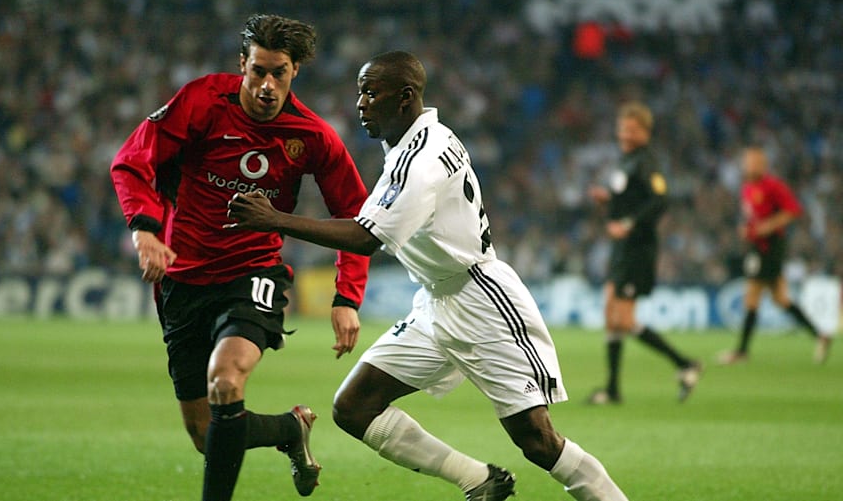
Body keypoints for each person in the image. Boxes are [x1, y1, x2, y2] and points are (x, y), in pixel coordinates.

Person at [227, 50, 629, 501]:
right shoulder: (415, 140)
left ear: (405, 98)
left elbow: (365, 238)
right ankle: (479, 480)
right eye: (359, 91)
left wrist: (275, 218)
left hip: (483, 303)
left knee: (537, 442)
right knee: (354, 408)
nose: (359, 103)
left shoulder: (422, 160)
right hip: (437, 303)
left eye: (370, 92)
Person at [110, 14, 370, 501]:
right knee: (206, 435)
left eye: (280, 73)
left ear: (296, 73)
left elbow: (357, 217)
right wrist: (144, 230)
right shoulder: (202, 101)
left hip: (252, 274)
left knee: (226, 381)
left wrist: (347, 296)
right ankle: (290, 430)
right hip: (182, 279)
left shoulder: (313, 136)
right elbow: (131, 160)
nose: (267, 85)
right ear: (242, 66)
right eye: (259, 71)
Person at [587, 102, 701, 405]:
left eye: (632, 129)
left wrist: (629, 223)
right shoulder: (626, 161)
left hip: (638, 247)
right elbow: (628, 198)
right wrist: (608, 200)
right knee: (611, 315)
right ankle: (612, 390)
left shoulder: (647, 161)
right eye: (622, 128)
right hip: (622, 247)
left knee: (623, 319)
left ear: (645, 132)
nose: (625, 133)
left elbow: (660, 199)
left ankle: (685, 363)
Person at [719, 146, 832, 364]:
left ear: (763, 164)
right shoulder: (747, 187)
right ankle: (820, 335)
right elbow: (751, 217)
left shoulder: (773, 185)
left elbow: (793, 210)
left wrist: (766, 227)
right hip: (757, 247)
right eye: (748, 161)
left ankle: (741, 351)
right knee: (780, 299)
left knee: (751, 296)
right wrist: (746, 229)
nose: (751, 165)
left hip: (769, 247)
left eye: (755, 162)